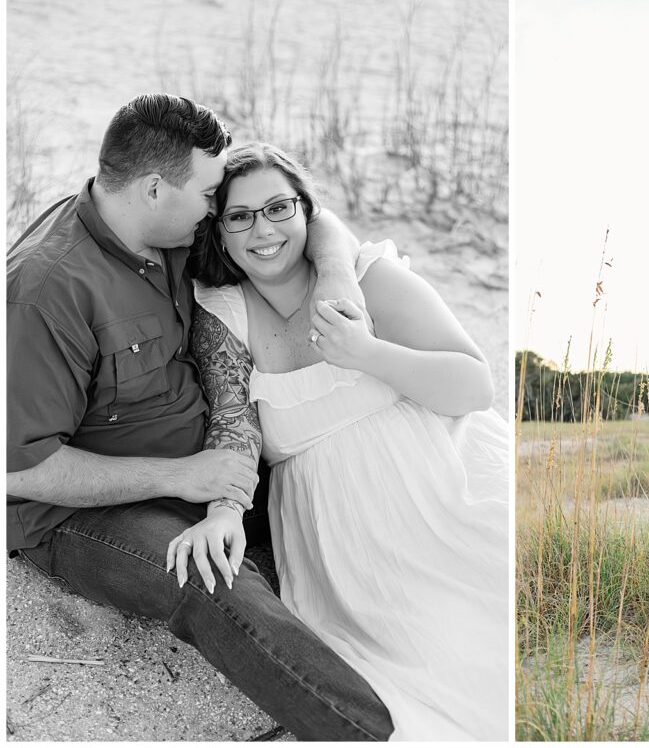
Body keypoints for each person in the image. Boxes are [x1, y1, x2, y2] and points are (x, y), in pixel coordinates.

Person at [7, 94, 394, 740]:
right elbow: (21, 467)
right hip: (82, 513)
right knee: (210, 578)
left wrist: (335, 274)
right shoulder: (47, 290)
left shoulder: (176, 226)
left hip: (215, 460)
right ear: (156, 187)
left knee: (348, 478)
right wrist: (182, 476)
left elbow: (300, 211)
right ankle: (358, 730)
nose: (220, 209)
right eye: (211, 194)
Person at [170, 142, 509, 741]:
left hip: (440, 487)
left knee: (490, 630)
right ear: (219, 232)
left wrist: (367, 353)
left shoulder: (367, 276)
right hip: (341, 543)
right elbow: (233, 420)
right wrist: (224, 509)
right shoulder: (223, 312)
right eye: (240, 216)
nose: (263, 229)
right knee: (420, 674)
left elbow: (475, 384)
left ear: (307, 211)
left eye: (278, 208)